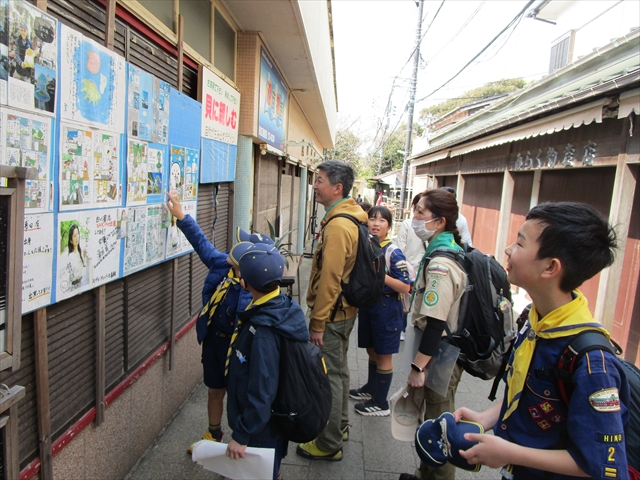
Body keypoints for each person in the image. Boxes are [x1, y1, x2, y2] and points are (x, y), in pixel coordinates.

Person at [453, 202, 629, 479]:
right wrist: (486, 418)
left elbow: (600, 465)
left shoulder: (594, 363)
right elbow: (527, 392)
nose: (509, 250)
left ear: (550, 267)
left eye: (520, 244)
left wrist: (508, 453)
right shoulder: (536, 319)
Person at [166, 193, 261, 455]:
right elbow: (201, 243)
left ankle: (241, 443)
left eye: (239, 247)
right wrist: (182, 217)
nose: (232, 248)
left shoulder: (255, 289)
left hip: (240, 349)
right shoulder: (221, 264)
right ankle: (213, 434)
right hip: (215, 342)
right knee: (214, 390)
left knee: (240, 397)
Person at [296, 160, 368, 461]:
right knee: (338, 371)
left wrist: (317, 322)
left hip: (333, 316)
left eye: (320, 180)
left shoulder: (338, 225)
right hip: (344, 312)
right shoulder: (348, 217)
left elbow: (330, 280)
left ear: (337, 188)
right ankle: (340, 426)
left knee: (330, 377)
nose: (315, 185)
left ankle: (328, 444)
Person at [225, 242, 309, 480]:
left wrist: (242, 435)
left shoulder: (263, 330)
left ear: (245, 284)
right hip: (274, 420)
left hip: (260, 429)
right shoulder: (284, 307)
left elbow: (263, 388)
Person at [404, 189, 468, 480]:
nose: (414, 218)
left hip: (442, 354)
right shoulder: (440, 248)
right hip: (438, 351)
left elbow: (436, 323)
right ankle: (423, 474)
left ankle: (438, 476)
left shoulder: (441, 263)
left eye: (420, 212)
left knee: (440, 427)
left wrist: (418, 367)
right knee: (431, 420)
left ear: (439, 221)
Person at [350, 206, 411, 416]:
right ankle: (371, 388)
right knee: (372, 350)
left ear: (389, 226)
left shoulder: (393, 252)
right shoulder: (367, 246)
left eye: (382, 220)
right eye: (372, 219)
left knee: (384, 355)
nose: (376, 223)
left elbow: (405, 286)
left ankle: (381, 402)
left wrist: (378, 276)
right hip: (369, 306)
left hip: (387, 308)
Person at [395, 192, 428, 340]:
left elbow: (400, 248)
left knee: (405, 300)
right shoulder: (429, 226)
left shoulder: (408, 224)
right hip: (422, 271)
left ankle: (402, 329)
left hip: (408, 271)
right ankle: (415, 329)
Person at [62, 224, 89, 290]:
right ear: (71, 240)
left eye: (77, 234)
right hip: (73, 287)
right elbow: (69, 276)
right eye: (74, 236)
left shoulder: (82, 252)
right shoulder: (70, 257)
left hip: (82, 285)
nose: (77, 237)